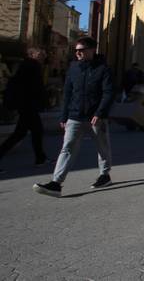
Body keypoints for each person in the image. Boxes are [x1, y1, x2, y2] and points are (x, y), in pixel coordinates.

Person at [33, 38, 114, 197]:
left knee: (102, 146)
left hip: (95, 116)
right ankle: (56, 183)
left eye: (81, 50)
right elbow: (68, 92)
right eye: (76, 50)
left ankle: (104, 175)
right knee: (68, 147)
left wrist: (100, 113)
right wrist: (64, 116)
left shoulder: (103, 69)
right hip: (75, 115)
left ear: (92, 50)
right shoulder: (73, 68)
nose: (77, 53)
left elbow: (108, 93)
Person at [0, 48, 49, 167]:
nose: (43, 57)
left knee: (22, 133)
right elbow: (36, 87)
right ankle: (40, 158)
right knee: (34, 131)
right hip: (29, 105)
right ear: (32, 54)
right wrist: (42, 101)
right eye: (40, 54)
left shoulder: (26, 65)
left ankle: (40, 158)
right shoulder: (32, 66)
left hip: (25, 104)